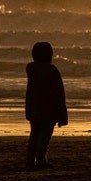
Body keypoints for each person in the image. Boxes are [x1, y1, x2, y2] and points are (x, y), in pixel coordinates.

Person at [25, 41, 68, 169]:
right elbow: (60, 93)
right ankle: (41, 159)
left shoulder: (31, 69)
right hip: (49, 108)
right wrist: (62, 114)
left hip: (33, 107)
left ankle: (30, 160)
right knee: (45, 135)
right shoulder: (52, 70)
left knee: (34, 134)